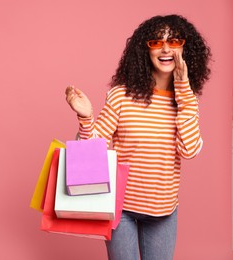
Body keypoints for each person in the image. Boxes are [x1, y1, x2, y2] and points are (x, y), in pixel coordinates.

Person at [65, 14, 211, 260]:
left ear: (185, 48)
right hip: (120, 209)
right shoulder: (121, 95)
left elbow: (189, 151)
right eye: (156, 42)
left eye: (173, 41)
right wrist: (86, 118)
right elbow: (92, 149)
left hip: (164, 211)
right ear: (146, 50)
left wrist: (184, 89)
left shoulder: (186, 101)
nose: (165, 48)